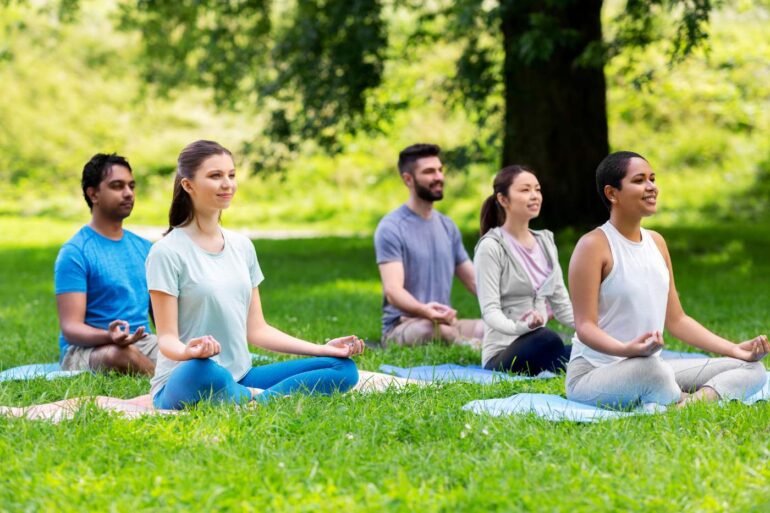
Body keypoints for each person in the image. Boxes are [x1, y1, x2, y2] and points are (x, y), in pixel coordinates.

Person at [147, 140, 363, 410]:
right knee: (205, 370)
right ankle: (248, 397)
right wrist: (189, 352)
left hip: (242, 375)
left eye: (231, 175)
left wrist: (323, 348)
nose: (227, 184)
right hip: (187, 377)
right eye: (215, 176)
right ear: (188, 185)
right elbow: (166, 338)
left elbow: (257, 330)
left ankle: (255, 399)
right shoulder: (166, 252)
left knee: (342, 368)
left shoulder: (242, 247)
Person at [567, 151, 768, 407]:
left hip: (650, 366)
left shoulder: (657, 243)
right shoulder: (593, 246)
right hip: (593, 373)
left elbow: (677, 320)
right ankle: (693, 398)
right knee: (654, 371)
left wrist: (735, 349)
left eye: (652, 178)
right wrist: (627, 350)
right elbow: (585, 327)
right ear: (612, 193)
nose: (651, 187)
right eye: (639, 180)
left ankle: (689, 405)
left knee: (752, 368)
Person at [55, 153, 157, 375]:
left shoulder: (145, 248)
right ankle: (167, 384)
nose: (128, 193)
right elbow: (71, 328)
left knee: (191, 351)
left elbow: (160, 315)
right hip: (89, 348)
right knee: (120, 355)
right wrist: (110, 336)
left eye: (131, 186)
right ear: (93, 194)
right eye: (117, 186)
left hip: (142, 342)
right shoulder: (75, 252)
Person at [374, 143, 483, 347]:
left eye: (440, 170)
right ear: (408, 179)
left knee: (490, 328)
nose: (439, 177)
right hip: (404, 325)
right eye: (429, 172)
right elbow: (393, 291)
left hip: (446, 323)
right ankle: (471, 346)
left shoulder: (447, 226)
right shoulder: (391, 227)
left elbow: (474, 281)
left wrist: (510, 307)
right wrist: (425, 312)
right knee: (428, 329)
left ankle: (471, 342)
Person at [474, 165, 574, 375]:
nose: (534, 196)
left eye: (537, 189)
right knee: (548, 339)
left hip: (540, 345)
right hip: (503, 353)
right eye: (525, 190)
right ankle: (559, 364)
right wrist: (521, 328)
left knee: (593, 351)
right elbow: (490, 312)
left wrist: (599, 330)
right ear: (503, 199)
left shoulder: (546, 241)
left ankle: (560, 363)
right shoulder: (491, 247)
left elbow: (562, 307)